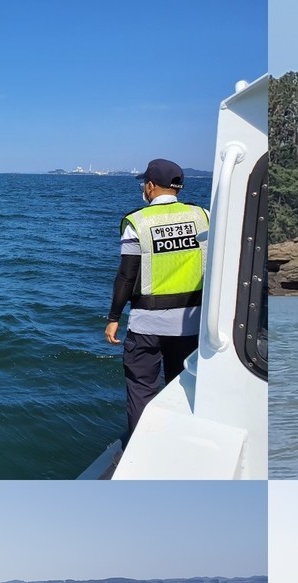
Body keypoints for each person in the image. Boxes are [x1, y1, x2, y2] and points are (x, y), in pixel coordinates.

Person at [104, 158, 210, 443]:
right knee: (184, 387)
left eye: (144, 183)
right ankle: (181, 441)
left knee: (141, 389)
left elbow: (127, 276)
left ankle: (143, 445)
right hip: (192, 323)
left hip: (147, 324)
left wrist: (113, 318)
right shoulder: (203, 216)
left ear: (150, 186)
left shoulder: (137, 222)